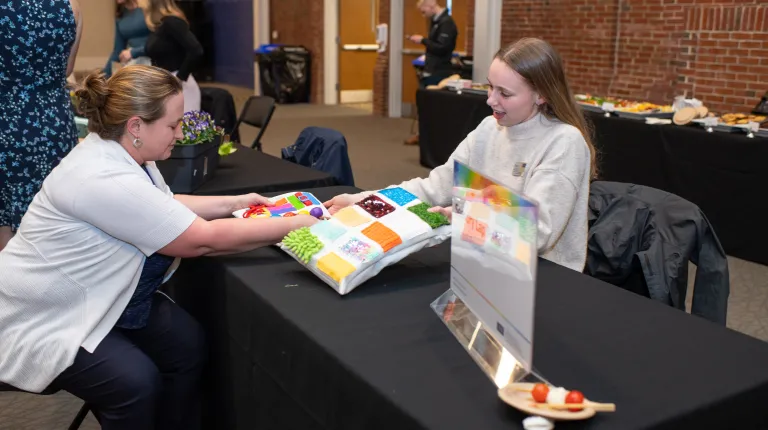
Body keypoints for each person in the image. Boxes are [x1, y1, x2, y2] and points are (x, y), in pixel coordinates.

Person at [0, 65, 317, 429]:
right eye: (173, 125)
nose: (180, 133)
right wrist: (295, 224)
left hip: (94, 295)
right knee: (134, 383)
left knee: (186, 346)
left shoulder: (120, 152)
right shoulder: (100, 177)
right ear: (136, 126)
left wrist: (235, 202)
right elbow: (202, 241)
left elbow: (162, 205)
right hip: (43, 312)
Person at [326, 38, 596, 272]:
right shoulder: (490, 127)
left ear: (541, 95)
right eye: (491, 87)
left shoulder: (564, 142)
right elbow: (433, 187)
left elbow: (537, 233)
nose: (491, 100)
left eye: (505, 93)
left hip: (543, 277)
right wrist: (364, 202)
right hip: (483, 261)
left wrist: (465, 217)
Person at [0, 0, 83, 252]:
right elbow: (67, 68)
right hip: (53, 122)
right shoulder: (72, 5)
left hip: (6, 119)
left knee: (5, 224)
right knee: (53, 214)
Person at [142, 0, 203, 113]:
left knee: (185, 130)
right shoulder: (159, 26)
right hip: (165, 86)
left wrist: (179, 78)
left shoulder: (172, 22)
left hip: (182, 89)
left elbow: (196, 50)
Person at [104, 0, 152, 77]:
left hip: (152, 61)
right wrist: (102, 77)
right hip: (133, 64)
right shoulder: (120, 15)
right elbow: (117, 51)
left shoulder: (148, 8)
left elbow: (159, 43)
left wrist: (133, 52)